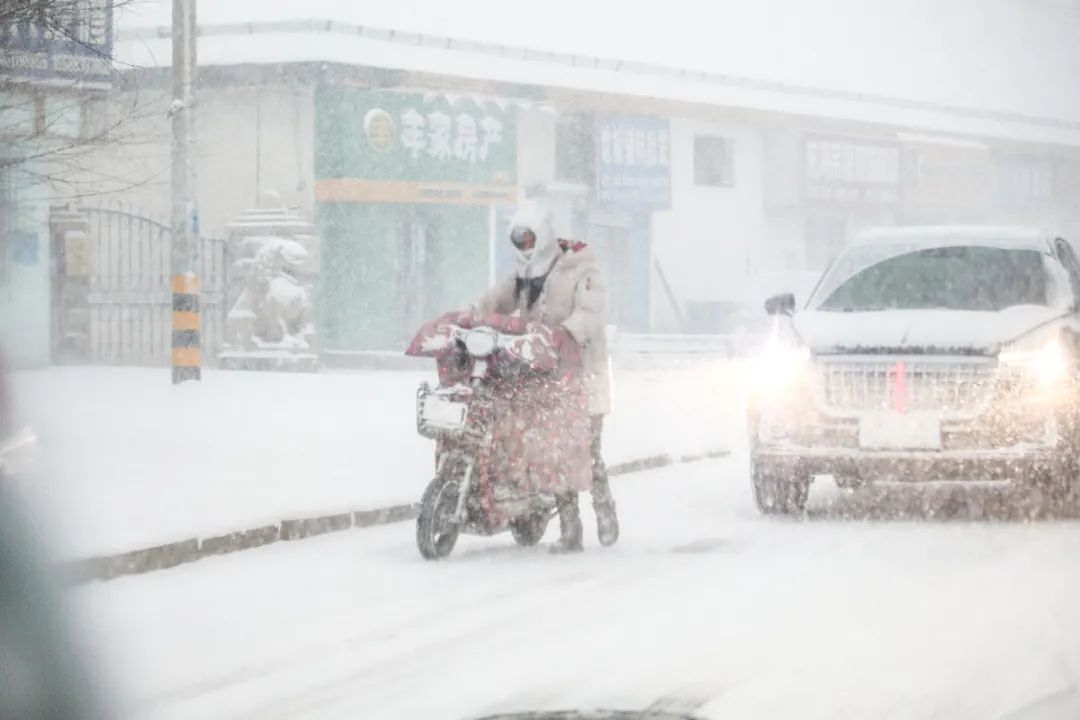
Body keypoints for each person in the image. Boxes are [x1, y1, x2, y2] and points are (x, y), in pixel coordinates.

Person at [472, 198, 619, 553]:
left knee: (587, 450)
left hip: (584, 375)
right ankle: (570, 530)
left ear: (545, 235)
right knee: (554, 452)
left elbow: (592, 314)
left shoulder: (580, 271)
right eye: (518, 241)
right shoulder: (522, 278)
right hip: (546, 377)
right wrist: (473, 313)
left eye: (529, 239)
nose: (524, 247)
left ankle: (605, 510)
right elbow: (495, 301)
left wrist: (563, 333)